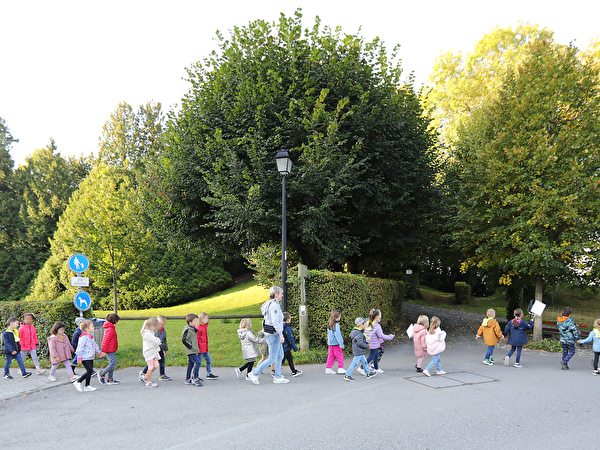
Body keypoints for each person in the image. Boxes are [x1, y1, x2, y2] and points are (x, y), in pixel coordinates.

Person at [248, 286, 288, 385]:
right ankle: (254, 373)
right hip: (273, 334)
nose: (282, 295)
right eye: (281, 293)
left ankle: (278, 376)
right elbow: (275, 322)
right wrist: (280, 334)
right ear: (276, 294)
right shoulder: (274, 306)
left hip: (273, 334)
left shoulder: (271, 304)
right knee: (272, 358)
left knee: (280, 355)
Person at [73, 320, 105, 392]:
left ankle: (87, 386)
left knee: (89, 371)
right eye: (92, 326)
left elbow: (94, 345)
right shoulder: (83, 337)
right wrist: (79, 356)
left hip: (90, 356)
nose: (94, 328)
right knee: (89, 371)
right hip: (85, 357)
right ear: (87, 329)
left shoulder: (90, 337)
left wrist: (99, 352)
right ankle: (78, 382)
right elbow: (80, 347)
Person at [344, 317, 376, 382]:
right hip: (358, 351)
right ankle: (347, 375)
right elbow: (360, 343)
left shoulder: (357, 331)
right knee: (354, 363)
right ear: (361, 324)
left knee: (364, 362)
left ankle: (368, 373)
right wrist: (368, 346)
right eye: (365, 324)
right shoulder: (359, 334)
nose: (366, 325)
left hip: (359, 351)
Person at [141, 315, 171, 382]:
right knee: (151, 364)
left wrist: (165, 349)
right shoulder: (152, 331)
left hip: (160, 349)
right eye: (160, 324)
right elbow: (154, 341)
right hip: (153, 350)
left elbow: (164, 340)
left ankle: (162, 374)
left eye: (163, 324)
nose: (161, 326)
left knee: (162, 362)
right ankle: (144, 373)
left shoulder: (163, 330)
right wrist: (157, 341)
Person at [364, 308, 394, 374]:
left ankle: (376, 368)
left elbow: (366, 332)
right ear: (377, 316)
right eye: (380, 314)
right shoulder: (377, 325)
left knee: (376, 355)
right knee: (371, 356)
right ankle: (362, 367)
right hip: (374, 344)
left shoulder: (367, 323)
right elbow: (381, 335)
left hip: (370, 342)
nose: (381, 315)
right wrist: (390, 337)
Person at [98, 313, 120, 385]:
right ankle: (102, 373)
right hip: (109, 350)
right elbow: (105, 341)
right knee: (113, 364)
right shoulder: (110, 330)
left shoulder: (110, 328)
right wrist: (103, 351)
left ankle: (110, 379)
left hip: (111, 349)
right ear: (115, 320)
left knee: (111, 364)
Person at [181, 313, 203, 386]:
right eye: (196, 321)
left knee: (191, 364)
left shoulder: (193, 329)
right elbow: (184, 340)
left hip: (193, 350)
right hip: (190, 351)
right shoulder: (188, 330)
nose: (197, 322)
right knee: (198, 363)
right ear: (190, 322)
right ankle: (195, 378)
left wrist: (196, 350)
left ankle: (187, 379)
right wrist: (190, 347)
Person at [197, 312, 218, 380]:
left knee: (209, 360)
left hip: (205, 348)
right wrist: (197, 349)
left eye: (207, 318)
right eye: (204, 318)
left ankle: (209, 373)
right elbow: (197, 339)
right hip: (200, 349)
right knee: (198, 363)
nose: (206, 320)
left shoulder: (205, 327)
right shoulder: (199, 328)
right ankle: (195, 375)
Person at [141, 317, 162, 388]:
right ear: (152, 326)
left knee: (156, 365)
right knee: (150, 367)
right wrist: (158, 340)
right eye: (155, 327)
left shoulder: (150, 332)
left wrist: (156, 339)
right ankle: (148, 382)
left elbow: (155, 340)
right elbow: (156, 342)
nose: (155, 328)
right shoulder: (148, 334)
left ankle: (146, 376)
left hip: (153, 352)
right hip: (149, 352)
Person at [281, 312, 302, 377]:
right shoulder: (288, 328)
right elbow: (290, 338)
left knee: (290, 358)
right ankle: (276, 372)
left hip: (282, 345)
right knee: (282, 360)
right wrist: (294, 347)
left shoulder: (280, 326)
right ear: (288, 319)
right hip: (286, 347)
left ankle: (294, 371)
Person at [325, 309, 345, 374]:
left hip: (330, 343)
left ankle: (328, 368)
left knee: (331, 356)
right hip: (336, 344)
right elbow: (338, 335)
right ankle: (340, 368)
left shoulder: (329, 324)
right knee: (340, 356)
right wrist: (341, 344)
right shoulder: (336, 325)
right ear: (337, 317)